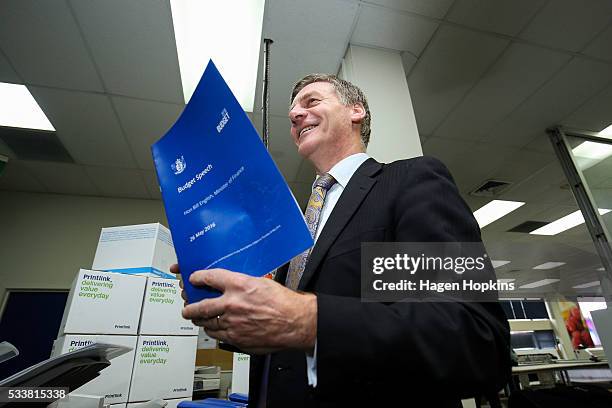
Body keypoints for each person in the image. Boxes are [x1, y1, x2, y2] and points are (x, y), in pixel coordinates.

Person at [172, 74, 511, 407]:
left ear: (356, 111)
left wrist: (308, 321)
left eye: (312, 101)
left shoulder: (408, 183)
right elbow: (286, 346)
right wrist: (227, 307)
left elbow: (474, 338)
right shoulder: (298, 223)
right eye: (292, 112)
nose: (294, 115)